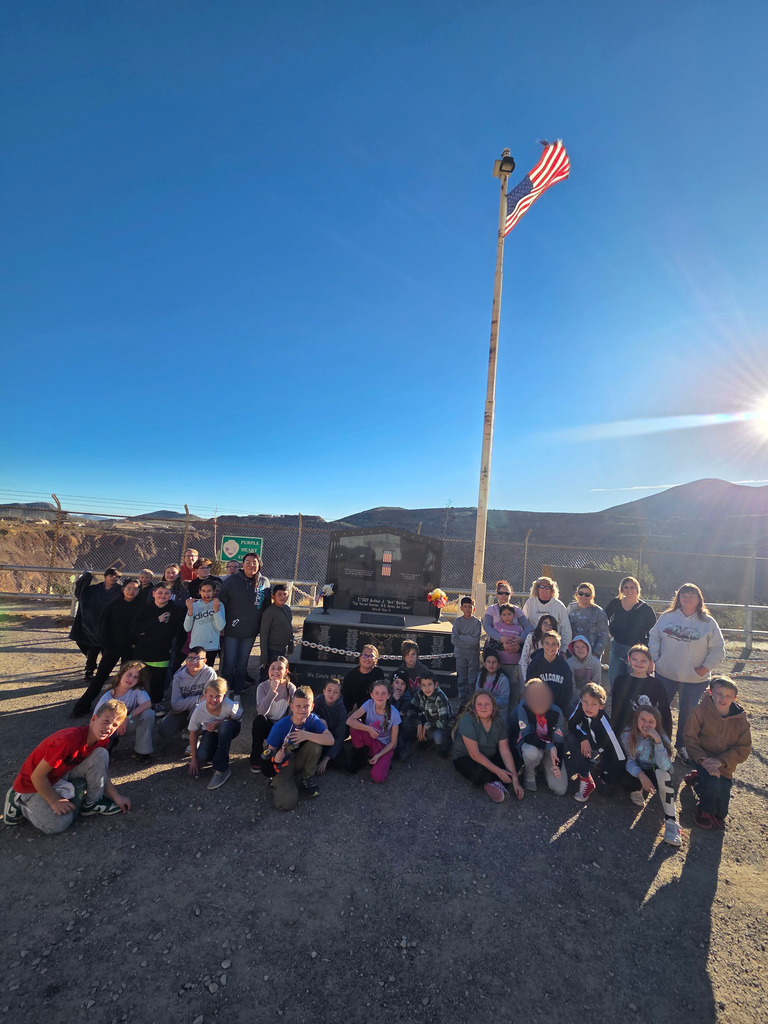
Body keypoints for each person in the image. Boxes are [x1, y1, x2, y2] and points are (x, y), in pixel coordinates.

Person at [3, 701, 131, 833]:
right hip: (32, 785)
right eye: (106, 721)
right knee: (58, 824)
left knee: (101, 754)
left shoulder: (102, 739)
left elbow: (102, 770)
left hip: (59, 775)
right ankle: (18, 801)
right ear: (94, 719)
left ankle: (92, 803)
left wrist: (116, 796)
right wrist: (55, 800)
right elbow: (37, 776)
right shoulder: (68, 740)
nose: (109, 727)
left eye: (115, 725)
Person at [648, 583, 725, 758]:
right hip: (665, 674)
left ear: (699, 599)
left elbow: (718, 649)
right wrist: (656, 659)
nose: (687, 597)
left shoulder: (708, 622)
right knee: (660, 709)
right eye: (684, 594)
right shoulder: (667, 617)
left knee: (688, 713)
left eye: (692, 595)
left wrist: (704, 668)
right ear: (678, 597)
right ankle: (659, 742)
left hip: (694, 679)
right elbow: (654, 635)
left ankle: (682, 746)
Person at [683, 677, 752, 830]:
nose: (723, 698)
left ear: (735, 697)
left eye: (728, 695)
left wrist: (721, 761)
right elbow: (690, 738)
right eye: (719, 693)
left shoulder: (741, 721)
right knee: (712, 787)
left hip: (725, 763)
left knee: (720, 812)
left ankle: (698, 781)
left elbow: (744, 748)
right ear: (710, 692)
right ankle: (703, 809)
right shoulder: (699, 711)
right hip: (702, 757)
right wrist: (704, 760)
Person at [69, 577, 141, 718]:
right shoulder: (114, 605)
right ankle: (82, 706)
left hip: (130, 649)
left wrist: (136, 643)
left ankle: (121, 709)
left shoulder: (141, 607)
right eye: (129, 588)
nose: (131, 591)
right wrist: (107, 643)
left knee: (126, 680)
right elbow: (103, 627)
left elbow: (143, 627)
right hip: (112, 647)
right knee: (100, 677)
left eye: (135, 589)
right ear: (123, 590)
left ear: (139, 590)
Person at [619, 703, 681, 847]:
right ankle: (638, 789)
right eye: (643, 719)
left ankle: (671, 821)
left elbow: (665, 766)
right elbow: (629, 761)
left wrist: (658, 742)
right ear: (636, 720)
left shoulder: (662, 738)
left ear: (656, 724)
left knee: (664, 776)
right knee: (626, 780)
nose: (646, 724)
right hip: (639, 769)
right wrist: (641, 775)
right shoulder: (628, 734)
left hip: (656, 771)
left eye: (651, 721)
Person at [266, 687, 334, 809]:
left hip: (299, 757)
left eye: (306, 706)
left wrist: (306, 735)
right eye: (298, 706)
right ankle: (278, 780)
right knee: (286, 803)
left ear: (312, 707)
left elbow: (330, 740)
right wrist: (275, 759)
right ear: (291, 707)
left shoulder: (312, 719)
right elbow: (270, 751)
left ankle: (307, 776)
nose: (302, 710)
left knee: (315, 745)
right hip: (284, 762)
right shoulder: (280, 726)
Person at [451, 690, 524, 803]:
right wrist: (499, 771)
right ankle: (496, 781)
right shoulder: (468, 721)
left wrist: (515, 780)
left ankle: (496, 782)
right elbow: (475, 755)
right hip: (468, 758)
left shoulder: (498, 722)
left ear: (493, 706)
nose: (483, 707)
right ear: (474, 706)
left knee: (516, 756)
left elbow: (504, 751)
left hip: (489, 755)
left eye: (487, 704)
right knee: (478, 772)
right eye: (479, 704)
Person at [218, 552, 271, 697]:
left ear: (259, 564)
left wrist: (263, 627)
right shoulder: (232, 581)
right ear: (243, 564)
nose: (251, 565)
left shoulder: (264, 582)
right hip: (231, 630)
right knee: (229, 663)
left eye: (254, 562)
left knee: (242, 663)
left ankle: (237, 694)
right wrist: (220, 625)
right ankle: (224, 693)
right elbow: (220, 603)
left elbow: (266, 607)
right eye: (248, 562)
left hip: (251, 631)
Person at [566, 682, 626, 802]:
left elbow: (620, 754)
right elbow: (571, 724)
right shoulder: (581, 707)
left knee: (605, 791)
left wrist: (609, 776)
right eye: (585, 702)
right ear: (581, 700)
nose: (588, 707)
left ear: (601, 706)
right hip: (589, 742)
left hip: (605, 751)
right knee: (571, 738)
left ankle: (595, 767)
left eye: (594, 704)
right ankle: (586, 778)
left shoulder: (605, 724)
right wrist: (583, 738)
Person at [131, 583, 186, 712]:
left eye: (166, 593)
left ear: (171, 595)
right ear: (153, 594)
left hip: (162, 651)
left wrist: (150, 630)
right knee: (140, 679)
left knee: (158, 680)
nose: (163, 596)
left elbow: (174, 630)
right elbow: (136, 628)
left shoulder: (175, 610)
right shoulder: (145, 609)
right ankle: (136, 703)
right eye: (160, 592)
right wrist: (157, 621)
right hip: (143, 651)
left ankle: (155, 703)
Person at [509, 678, 567, 795]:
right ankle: (529, 771)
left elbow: (559, 740)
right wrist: (549, 746)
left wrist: (557, 765)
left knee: (560, 789)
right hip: (532, 745)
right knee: (531, 753)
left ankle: (544, 765)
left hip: (550, 750)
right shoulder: (523, 707)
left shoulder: (556, 712)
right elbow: (526, 735)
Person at [94, 661, 155, 765]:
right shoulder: (107, 698)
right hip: (109, 728)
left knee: (148, 713)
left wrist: (127, 718)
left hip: (126, 724)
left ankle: (142, 751)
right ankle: (107, 744)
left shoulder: (137, 690)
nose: (131, 679)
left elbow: (148, 704)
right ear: (121, 673)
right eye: (129, 674)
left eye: (136, 677)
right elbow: (95, 722)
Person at [187, 678, 243, 791]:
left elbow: (238, 718)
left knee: (224, 727)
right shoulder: (199, 710)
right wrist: (193, 759)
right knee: (202, 756)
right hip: (210, 732)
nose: (214, 700)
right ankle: (218, 753)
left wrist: (219, 722)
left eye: (218, 696)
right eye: (210, 696)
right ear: (205, 695)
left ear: (225, 695)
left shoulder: (229, 705)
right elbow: (193, 733)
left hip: (228, 729)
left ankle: (221, 769)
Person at [68, 568, 122, 680]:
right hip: (93, 625)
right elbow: (81, 593)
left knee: (106, 651)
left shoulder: (120, 591)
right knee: (93, 648)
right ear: (105, 576)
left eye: (117, 577)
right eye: (111, 575)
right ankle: (89, 670)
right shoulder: (94, 590)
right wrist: (86, 576)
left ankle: (103, 672)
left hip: (110, 627)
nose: (114, 578)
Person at [605, 576, 658, 686]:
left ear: (637, 589)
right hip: (618, 646)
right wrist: (610, 632)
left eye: (632, 587)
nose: (629, 590)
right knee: (615, 679)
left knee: (634, 681)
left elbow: (652, 632)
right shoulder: (615, 603)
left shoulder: (646, 609)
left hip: (637, 650)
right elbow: (603, 618)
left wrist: (649, 652)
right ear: (622, 589)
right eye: (626, 587)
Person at [611, 644, 672, 738]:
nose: (638, 663)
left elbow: (665, 712)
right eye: (634, 659)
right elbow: (616, 709)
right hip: (627, 732)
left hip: (650, 732)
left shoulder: (657, 684)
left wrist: (666, 737)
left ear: (650, 663)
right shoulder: (621, 681)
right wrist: (615, 734)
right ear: (629, 659)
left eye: (643, 661)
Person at [346, 680, 401, 783]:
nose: (380, 696)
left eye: (383, 693)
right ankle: (360, 758)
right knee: (355, 727)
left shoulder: (394, 713)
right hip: (371, 738)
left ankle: (379, 760)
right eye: (376, 693)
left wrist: (379, 755)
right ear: (371, 695)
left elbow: (393, 742)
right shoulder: (369, 704)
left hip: (384, 746)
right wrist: (369, 728)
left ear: (389, 695)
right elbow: (350, 721)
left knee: (378, 777)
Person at [158, 648, 217, 742]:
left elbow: (208, 700)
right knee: (164, 731)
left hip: (200, 709)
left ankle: (196, 739)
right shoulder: (178, 677)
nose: (193, 662)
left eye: (197, 659)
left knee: (198, 709)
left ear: (205, 661)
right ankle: (188, 727)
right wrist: (198, 698)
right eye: (190, 658)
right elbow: (176, 704)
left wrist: (189, 703)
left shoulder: (209, 673)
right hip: (183, 711)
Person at [249, 657, 296, 774]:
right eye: (272, 668)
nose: (275, 672)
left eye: (280, 668)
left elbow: (292, 714)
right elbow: (261, 711)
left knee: (274, 763)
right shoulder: (263, 687)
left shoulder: (290, 688)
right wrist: (272, 691)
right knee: (258, 721)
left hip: (281, 726)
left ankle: (275, 751)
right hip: (267, 723)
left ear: (286, 672)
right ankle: (256, 756)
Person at [483, 581, 531, 670]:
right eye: (501, 593)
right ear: (497, 594)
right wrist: (500, 638)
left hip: (514, 647)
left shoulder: (516, 610)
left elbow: (527, 627)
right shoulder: (491, 609)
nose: (504, 595)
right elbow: (487, 626)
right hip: (495, 646)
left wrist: (521, 639)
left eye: (507, 593)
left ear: (511, 595)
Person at [526, 632, 574, 715]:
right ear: (542, 644)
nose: (550, 647)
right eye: (547, 643)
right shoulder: (535, 664)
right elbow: (530, 687)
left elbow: (567, 691)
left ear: (558, 647)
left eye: (554, 644)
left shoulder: (564, 666)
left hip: (559, 707)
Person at [411, 670, 453, 757]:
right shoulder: (419, 694)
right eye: (424, 685)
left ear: (436, 685)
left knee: (438, 738)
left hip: (444, 725)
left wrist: (427, 725)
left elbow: (443, 722)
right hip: (428, 720)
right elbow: (410, 707)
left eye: (430, 685)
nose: (427, 688)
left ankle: (445, 746)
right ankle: (427, 741)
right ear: (420, 686)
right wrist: (418, 722)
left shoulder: (440, 697)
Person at [522, 577, 571, 650]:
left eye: (547, 587)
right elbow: (523, 623)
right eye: (541, 587)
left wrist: (563, 649)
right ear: (537, 589)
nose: (544, 589)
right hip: (533, 645)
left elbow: (566, 629)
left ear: (552, 590)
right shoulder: (530, 603)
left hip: (552, 647)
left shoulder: (559, 605)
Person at [314, 678, 350, 774]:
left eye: (335, 692)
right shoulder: (318, 701)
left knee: (341, 763)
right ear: (324, 691)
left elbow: (340, 735)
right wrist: (319, 719)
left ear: (339, 695)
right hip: (319, 735)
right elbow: (309, 715)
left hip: (332, 738)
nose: (331, 694)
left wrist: (327, 758)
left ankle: (324, 759)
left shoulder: (341, 710)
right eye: (329, 691)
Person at [567, 583, 609, 664]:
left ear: (592, 596)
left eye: (587, 594)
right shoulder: (571, 608)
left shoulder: (599, 612)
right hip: (572, 653)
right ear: (576, 594)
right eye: (581, 593)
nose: (583, 597)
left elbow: (604, 634)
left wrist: (596, 653)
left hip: (591, 654)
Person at [184, 583, 225, 666]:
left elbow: (220, 626)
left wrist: (216, 610)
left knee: (207, 671)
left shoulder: (219, 605)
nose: (206, 594)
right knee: (195, 669)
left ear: (214, 592)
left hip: (211, 645)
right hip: (196, 645)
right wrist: (190, 610)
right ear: (200, 592)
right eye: (203, 591)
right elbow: (187, 628)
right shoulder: (194, 605)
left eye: (209, 591)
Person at [451, 597, 482, 706]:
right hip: (460, 655)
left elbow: (475, 640)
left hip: (473, 655)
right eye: (465, 607)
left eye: (470, 607)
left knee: (472, 680)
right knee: (461, 679)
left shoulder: (477, 622)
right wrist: (467, 638)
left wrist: (462, 637)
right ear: (461, 608)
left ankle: (472, 702)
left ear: (473, 608)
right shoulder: (458, 622)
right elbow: (454, 639)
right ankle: (462, 702)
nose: (468, 609)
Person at [490, 603, 527, 691]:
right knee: (501, 688)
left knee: (514, 688)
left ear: (513, 615)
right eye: (504, 614)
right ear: (500, 616)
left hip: (515, 664)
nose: (507, 617)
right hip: (501, 664)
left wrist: (517, 648)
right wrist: (503, 647)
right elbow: (492, 644)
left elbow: (524, 646)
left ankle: (514, 705)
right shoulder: (497, 627)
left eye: (509, 614)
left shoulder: (518, 629)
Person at [259, 584, 294, 668]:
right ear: (273, 597)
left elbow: (289, 627)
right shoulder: (269, 612)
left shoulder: (287, 609)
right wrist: (264, 657)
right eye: (279, 594)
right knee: (269, 671)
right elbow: (264, 634)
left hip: (282, 648)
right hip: (272, 649)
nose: (282, 597)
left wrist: (291, 646)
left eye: (285, 594)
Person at [474, 650, 513, 725]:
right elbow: (476, 695)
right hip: (483, 712)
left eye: (494, 662)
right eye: (488, 662)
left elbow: (504, 701)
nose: (491, 664)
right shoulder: (480, 676)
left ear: (499, 665)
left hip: (498, 715)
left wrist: (488, 701)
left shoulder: (503, 680)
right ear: (484, 664)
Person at [342, 645, 384, 712]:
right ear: (360, 657)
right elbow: (346, 697)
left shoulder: (378, 673)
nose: (367, 658)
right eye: (365, 655)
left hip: (372, 709)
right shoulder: (350, 675)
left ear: (376, 660)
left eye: (371, 656)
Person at [518, 614, 558, 680]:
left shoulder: (555, 640)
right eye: (545, 623)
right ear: (540, 624)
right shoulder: (531, 636)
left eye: (551, 625)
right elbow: (524, 658)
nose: (548, 627)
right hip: (527, 668)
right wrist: (526, 678)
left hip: (544, 672)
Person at [390, 674, 419, 761]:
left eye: (403, 684)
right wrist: (392, 700)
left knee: (405, 720)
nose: (399, 686)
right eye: (396, 682)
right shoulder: (384, 695)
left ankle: (405, 748)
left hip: (403, 730)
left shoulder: (409, 698)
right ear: (392, 684)